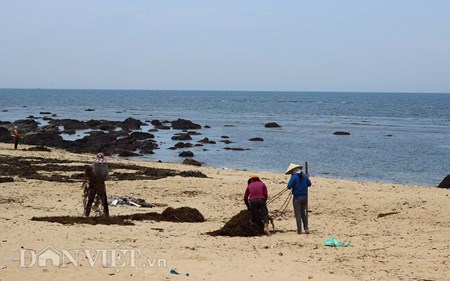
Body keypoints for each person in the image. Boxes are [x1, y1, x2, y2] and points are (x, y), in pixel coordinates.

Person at [286, 163, 312, 234]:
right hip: (305, 197)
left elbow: (289, 186)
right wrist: (307, 177)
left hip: (297, 198)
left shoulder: (294, 177)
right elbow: (309, 184)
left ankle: (299, 230)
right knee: (303, 213)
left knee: (298, 214)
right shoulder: (304, 175)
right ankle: (306, 228)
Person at [83, 153, 110, 217]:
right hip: (101, 184)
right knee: (104, 200)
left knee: (90, 199)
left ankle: (87, 214)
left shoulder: (93, 166)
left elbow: (89, 175)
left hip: (93, 184)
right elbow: (106, 177)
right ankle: (106, 214)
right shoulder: (105, 166)